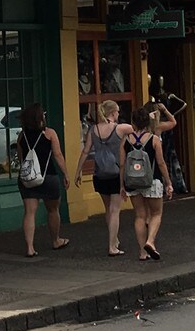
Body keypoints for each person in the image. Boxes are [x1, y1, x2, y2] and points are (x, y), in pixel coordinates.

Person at [79, 99, 132, 257]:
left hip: (99, 174)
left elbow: (85, 151)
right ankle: (112, 246)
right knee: (115, 210)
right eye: (117, 112)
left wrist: (78, 172)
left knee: (108, 209)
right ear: (113, 112)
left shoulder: (93, 129)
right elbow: (139, 129)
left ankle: (114, 240)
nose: (118, 114)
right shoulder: (121, 128)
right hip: (116, 173)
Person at [14, 103, 68, 258]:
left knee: (29, 213)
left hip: (28, 178)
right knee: (53, 210)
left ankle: (30, 248)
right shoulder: (49, 133)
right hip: (48, 176)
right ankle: (55, 240)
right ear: (40, 117)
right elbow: (57, 155)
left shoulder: (21, 136)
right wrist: (65, 174)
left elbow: (21, 157)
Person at [128, 103, 172, 261]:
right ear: (148, 123)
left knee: (139, 216)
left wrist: (121, 185)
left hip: (132, 182)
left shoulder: (126, 140)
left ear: (133, 123)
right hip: (152, 180)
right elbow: (161, 163)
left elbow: (121, 165)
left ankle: (142, 252)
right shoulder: (154, 140)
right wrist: (168, 183)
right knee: (156, 213)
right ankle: (150, 241)